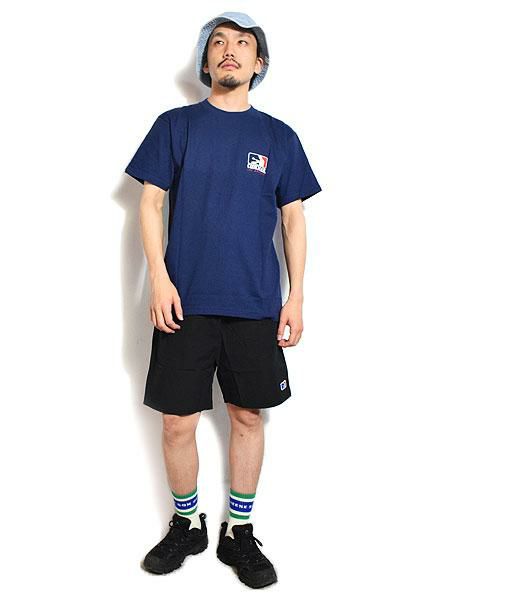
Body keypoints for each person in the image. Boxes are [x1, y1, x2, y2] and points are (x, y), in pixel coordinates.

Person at [124, 11, 322, 589]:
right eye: (217, 42)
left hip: (255, 304)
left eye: (242, 43)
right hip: (184, 301)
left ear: (259, 63)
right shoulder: (175, 126)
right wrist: (159, 279)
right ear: (206, 61)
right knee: (176, 423)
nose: (229, 49)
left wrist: (297, 297)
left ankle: (239, 530)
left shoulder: (279, 137)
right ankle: (187, 524)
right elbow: (150, 204)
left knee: (247, 416)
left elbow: (294, 220)